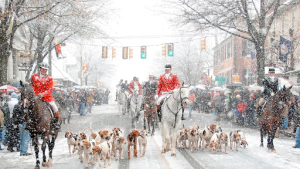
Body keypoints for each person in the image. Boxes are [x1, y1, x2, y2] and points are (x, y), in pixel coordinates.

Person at [30, 62, 60, 130]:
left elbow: (50, 89)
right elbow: (31, 86)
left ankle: (56, 123)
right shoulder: (34, 76)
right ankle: (28, 122)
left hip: (46, 97)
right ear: (40, 69)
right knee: (27, 106)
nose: (44, 71)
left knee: (55, 108)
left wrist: (43, 94)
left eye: (46, 70)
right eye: (43, 69)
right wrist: (35, 93)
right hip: (35, 96)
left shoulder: (49, 78)